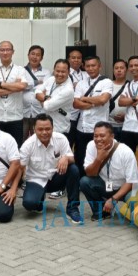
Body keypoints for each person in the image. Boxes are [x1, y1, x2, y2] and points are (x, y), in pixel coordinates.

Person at [20, 114, 82, 224]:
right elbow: (19, 167)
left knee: (73, 169)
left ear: (53, 128)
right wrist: (13, 188)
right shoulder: (28, 145)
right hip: (36, 180)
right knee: (29, 204)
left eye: (48, 129)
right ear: (34, 129)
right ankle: (39, 200)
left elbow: (72, 158)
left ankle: (73, 208)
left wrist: (66, 158)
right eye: (40, 129)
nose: (44, 132)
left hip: (56, 178)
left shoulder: (61, 138)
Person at [80, 122, 138, 221]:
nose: (98, 139)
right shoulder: (91, 145)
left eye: (102, 135)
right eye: (95, 136)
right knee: (84, 181)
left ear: (112, 136)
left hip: (125, 188)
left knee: (136, 208)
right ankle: (102, 212)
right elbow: (90, 173)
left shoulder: (125, 151)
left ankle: (114, 205)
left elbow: (131, 181)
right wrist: (98, 159)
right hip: (105, 185)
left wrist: (113, 199)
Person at [35, 59, 74, 202]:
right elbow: (37, 91)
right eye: (58, 70)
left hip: (59, 128)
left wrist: (44, 99)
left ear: (68, 72)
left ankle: (60, 188)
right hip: (47, 126)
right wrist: (45, 97)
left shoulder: (68, 90)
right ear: (54, 69)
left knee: (59, 158)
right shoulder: (50, 79)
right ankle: (42, 183)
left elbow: (47, 106)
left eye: (63, 71)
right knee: (45, 157)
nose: (60, 74)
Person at [72, 56, 113, 177]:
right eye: (88, 66)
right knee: (80, 156)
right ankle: (81, 181)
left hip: (99, 129)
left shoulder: (106, 82)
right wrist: (93, 103)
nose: (90, 68)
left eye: (93, 65)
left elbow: (103, 99)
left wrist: (84, 99)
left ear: (99, 66)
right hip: (82, 127)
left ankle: (96, 180)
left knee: (98, 156)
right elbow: (75, 103)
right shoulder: (81, 83)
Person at [0, 41, 30, 146]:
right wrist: (14, 87)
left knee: (15, 148)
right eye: (2, 50)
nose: (5, 52)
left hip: (15, 118)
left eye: (8, 50)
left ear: (13, 52)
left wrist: (0, 84)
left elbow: (22, 86)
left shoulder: (20, 70)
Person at [22, 45, 52, 141]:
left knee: (38, 140)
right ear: (28, 55)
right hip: (23, 112)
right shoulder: (21, 71)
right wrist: (36, 83)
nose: (35, 57)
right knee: (22, 140)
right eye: (33, 54)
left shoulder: (47, 72)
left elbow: (45, 89)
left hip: (39, 113)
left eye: (38, 55)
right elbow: (20, 86)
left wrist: (26, 86)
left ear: (42, 58)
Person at [67, 48, 88, 138]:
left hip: (84, 115)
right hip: (70, 116)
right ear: (68, 59)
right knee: (68, 142)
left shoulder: (87, 74)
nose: (76, 60)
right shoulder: (64, 73)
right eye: (73, 57)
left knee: (80, 145)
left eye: (79, 58)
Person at [109, 59, 128, 140]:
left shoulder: (131, 85)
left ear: (126, 70)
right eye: (116, 68)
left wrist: (126, 117)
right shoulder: (107, 85)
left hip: (127, 125)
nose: (119, 70)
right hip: (109, 125)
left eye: (121, 68)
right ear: (113, 70)